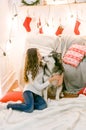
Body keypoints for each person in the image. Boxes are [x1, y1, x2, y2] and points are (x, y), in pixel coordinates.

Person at [1, 48, 58, 113]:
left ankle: (27, 104)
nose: (41, 56)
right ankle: (7, 105)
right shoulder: (30, 72)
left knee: (43, 106)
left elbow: (53, 65)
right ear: (34, 58)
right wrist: (50, 80)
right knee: (29, 109)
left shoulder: (42, 66)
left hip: (37, 94)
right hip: (29, 92)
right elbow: (39, 87)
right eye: (38, 55)